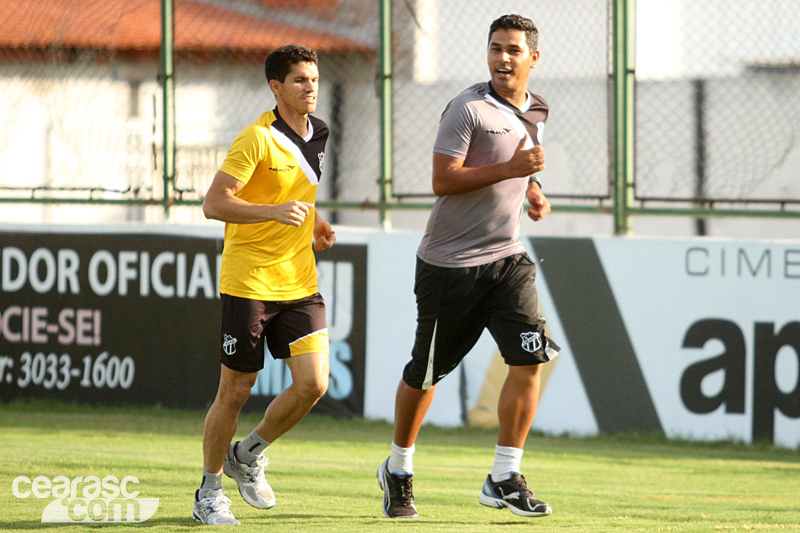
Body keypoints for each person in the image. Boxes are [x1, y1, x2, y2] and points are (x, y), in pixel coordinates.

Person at [377, 14, 559, 519]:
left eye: (514, 50)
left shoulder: (538, 108)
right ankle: (398, 468)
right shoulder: (468, 108)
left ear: (533, 58)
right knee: (426, 374)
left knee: (529, 358)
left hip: (508, 258)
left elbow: (520, 165)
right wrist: (513, 171)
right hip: (449, 265)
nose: (503, 58)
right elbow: (443, 179)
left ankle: (504, 476)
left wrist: (533, 192)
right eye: (496, 48)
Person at [194, 44, 336, 526]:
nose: (310, 86)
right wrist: (273, 213)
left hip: (298, 279)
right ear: (276, 88)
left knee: (315, 383)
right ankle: (209, 491)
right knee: (235, 391)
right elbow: (215, 204)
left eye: (313, 78)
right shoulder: (254, 138)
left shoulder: (320, 132)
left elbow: (298, 191)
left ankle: (247, 453)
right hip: (250, 280)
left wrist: (315, 221)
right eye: (299, 80)